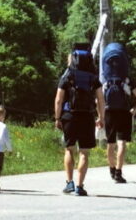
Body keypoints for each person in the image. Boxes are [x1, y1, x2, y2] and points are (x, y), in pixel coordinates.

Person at [54, 48, 106, 197]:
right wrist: (101, 117)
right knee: (84, 152)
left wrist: (57, 118)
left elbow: (58, 99)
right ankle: (79, 186)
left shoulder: (67, 76)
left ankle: (69, 183)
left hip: (69, 115)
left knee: (69, 149)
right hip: (87, 117)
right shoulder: (93, 78)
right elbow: (101, 100)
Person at [105, 77, 136, 184]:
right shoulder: (127, 80)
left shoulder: (105, 79)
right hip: (124, 112)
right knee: (121, 143)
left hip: (109, 112)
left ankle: (112, 169)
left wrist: (100, 115)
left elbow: (98, 99)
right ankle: (118, 173)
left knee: (110, 143)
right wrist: (134, 110)